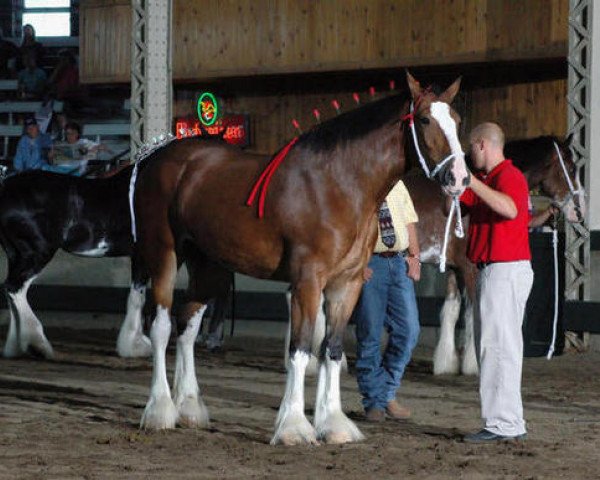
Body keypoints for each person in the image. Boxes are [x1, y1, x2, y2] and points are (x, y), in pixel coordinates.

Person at [457, 122, 533, 443]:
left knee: (498, 347)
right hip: (496, 270)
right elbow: (466, 207)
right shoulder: (492, 180)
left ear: (482, 145)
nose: (469, 154)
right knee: (497, 345)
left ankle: (503, 424)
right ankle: (507, 421)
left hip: (504, 270)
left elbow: (510, 208)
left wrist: (471, 182)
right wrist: (461, 187)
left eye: (471, 148)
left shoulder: (509, 177)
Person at [353, 180, 421, 422]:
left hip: (400, 263)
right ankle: (374, 400)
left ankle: (386, 392)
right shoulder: (360, 183)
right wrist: (357, 262)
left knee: (409, 331)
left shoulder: (399, 185)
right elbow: (349, 224)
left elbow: (409, 221)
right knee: (370, 333)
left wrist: (415, 256)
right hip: (372, 263)